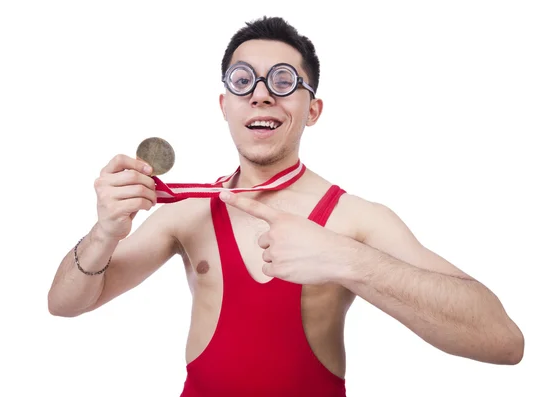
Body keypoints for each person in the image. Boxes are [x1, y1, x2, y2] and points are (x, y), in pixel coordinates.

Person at [47, 16, 524, 396]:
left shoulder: (355, 219)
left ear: (312, 109)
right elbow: (64, 305)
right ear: (225, 105)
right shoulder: (185, 213)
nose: (260, 94)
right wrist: (104, 233)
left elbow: (504, 342)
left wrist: (345, 259)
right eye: (243, 81)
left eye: (282, 81)